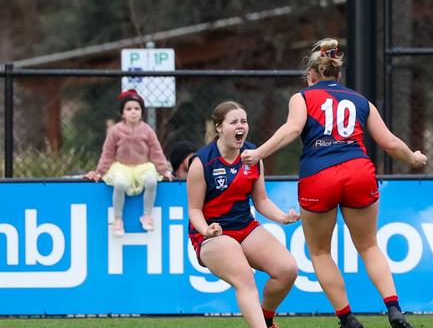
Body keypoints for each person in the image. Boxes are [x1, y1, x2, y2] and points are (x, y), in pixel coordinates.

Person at [241, 38, 427, 328]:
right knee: (369, 247)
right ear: (338, 74)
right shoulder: (359, 100)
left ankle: (347, 318)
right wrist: (413, 159)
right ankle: (394, 309)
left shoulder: (302, 97)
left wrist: (258, 153)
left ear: (311, 74)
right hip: (358, 170)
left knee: (320, 252)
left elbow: (292, 129)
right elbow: (389, 142)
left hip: (319, 175)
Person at [187, 100, 300, 328]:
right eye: (234, 122)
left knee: (287, 271)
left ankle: (266, 319)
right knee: (246, 280)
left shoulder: (252, 155)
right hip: (213, 235)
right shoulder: (202, 162)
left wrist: (282, 217)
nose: (241, 126)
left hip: (245, 228)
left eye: (244, 121)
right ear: (219, 127)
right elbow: (194, 210)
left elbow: (261, 201)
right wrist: (207, 230)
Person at [86, 89, 173, 236]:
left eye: (137, 108)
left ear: (141, 112)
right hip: (121, 167)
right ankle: (118, 220)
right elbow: (108, 154)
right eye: (129, 109)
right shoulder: (115, 131)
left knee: (151, 181)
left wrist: (163, 170)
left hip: (142, 167)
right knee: (120, 184)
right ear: (123, 113)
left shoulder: (147, 130)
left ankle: (146, 215)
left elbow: (156, 151)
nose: (133, 112)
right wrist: (99, 172)